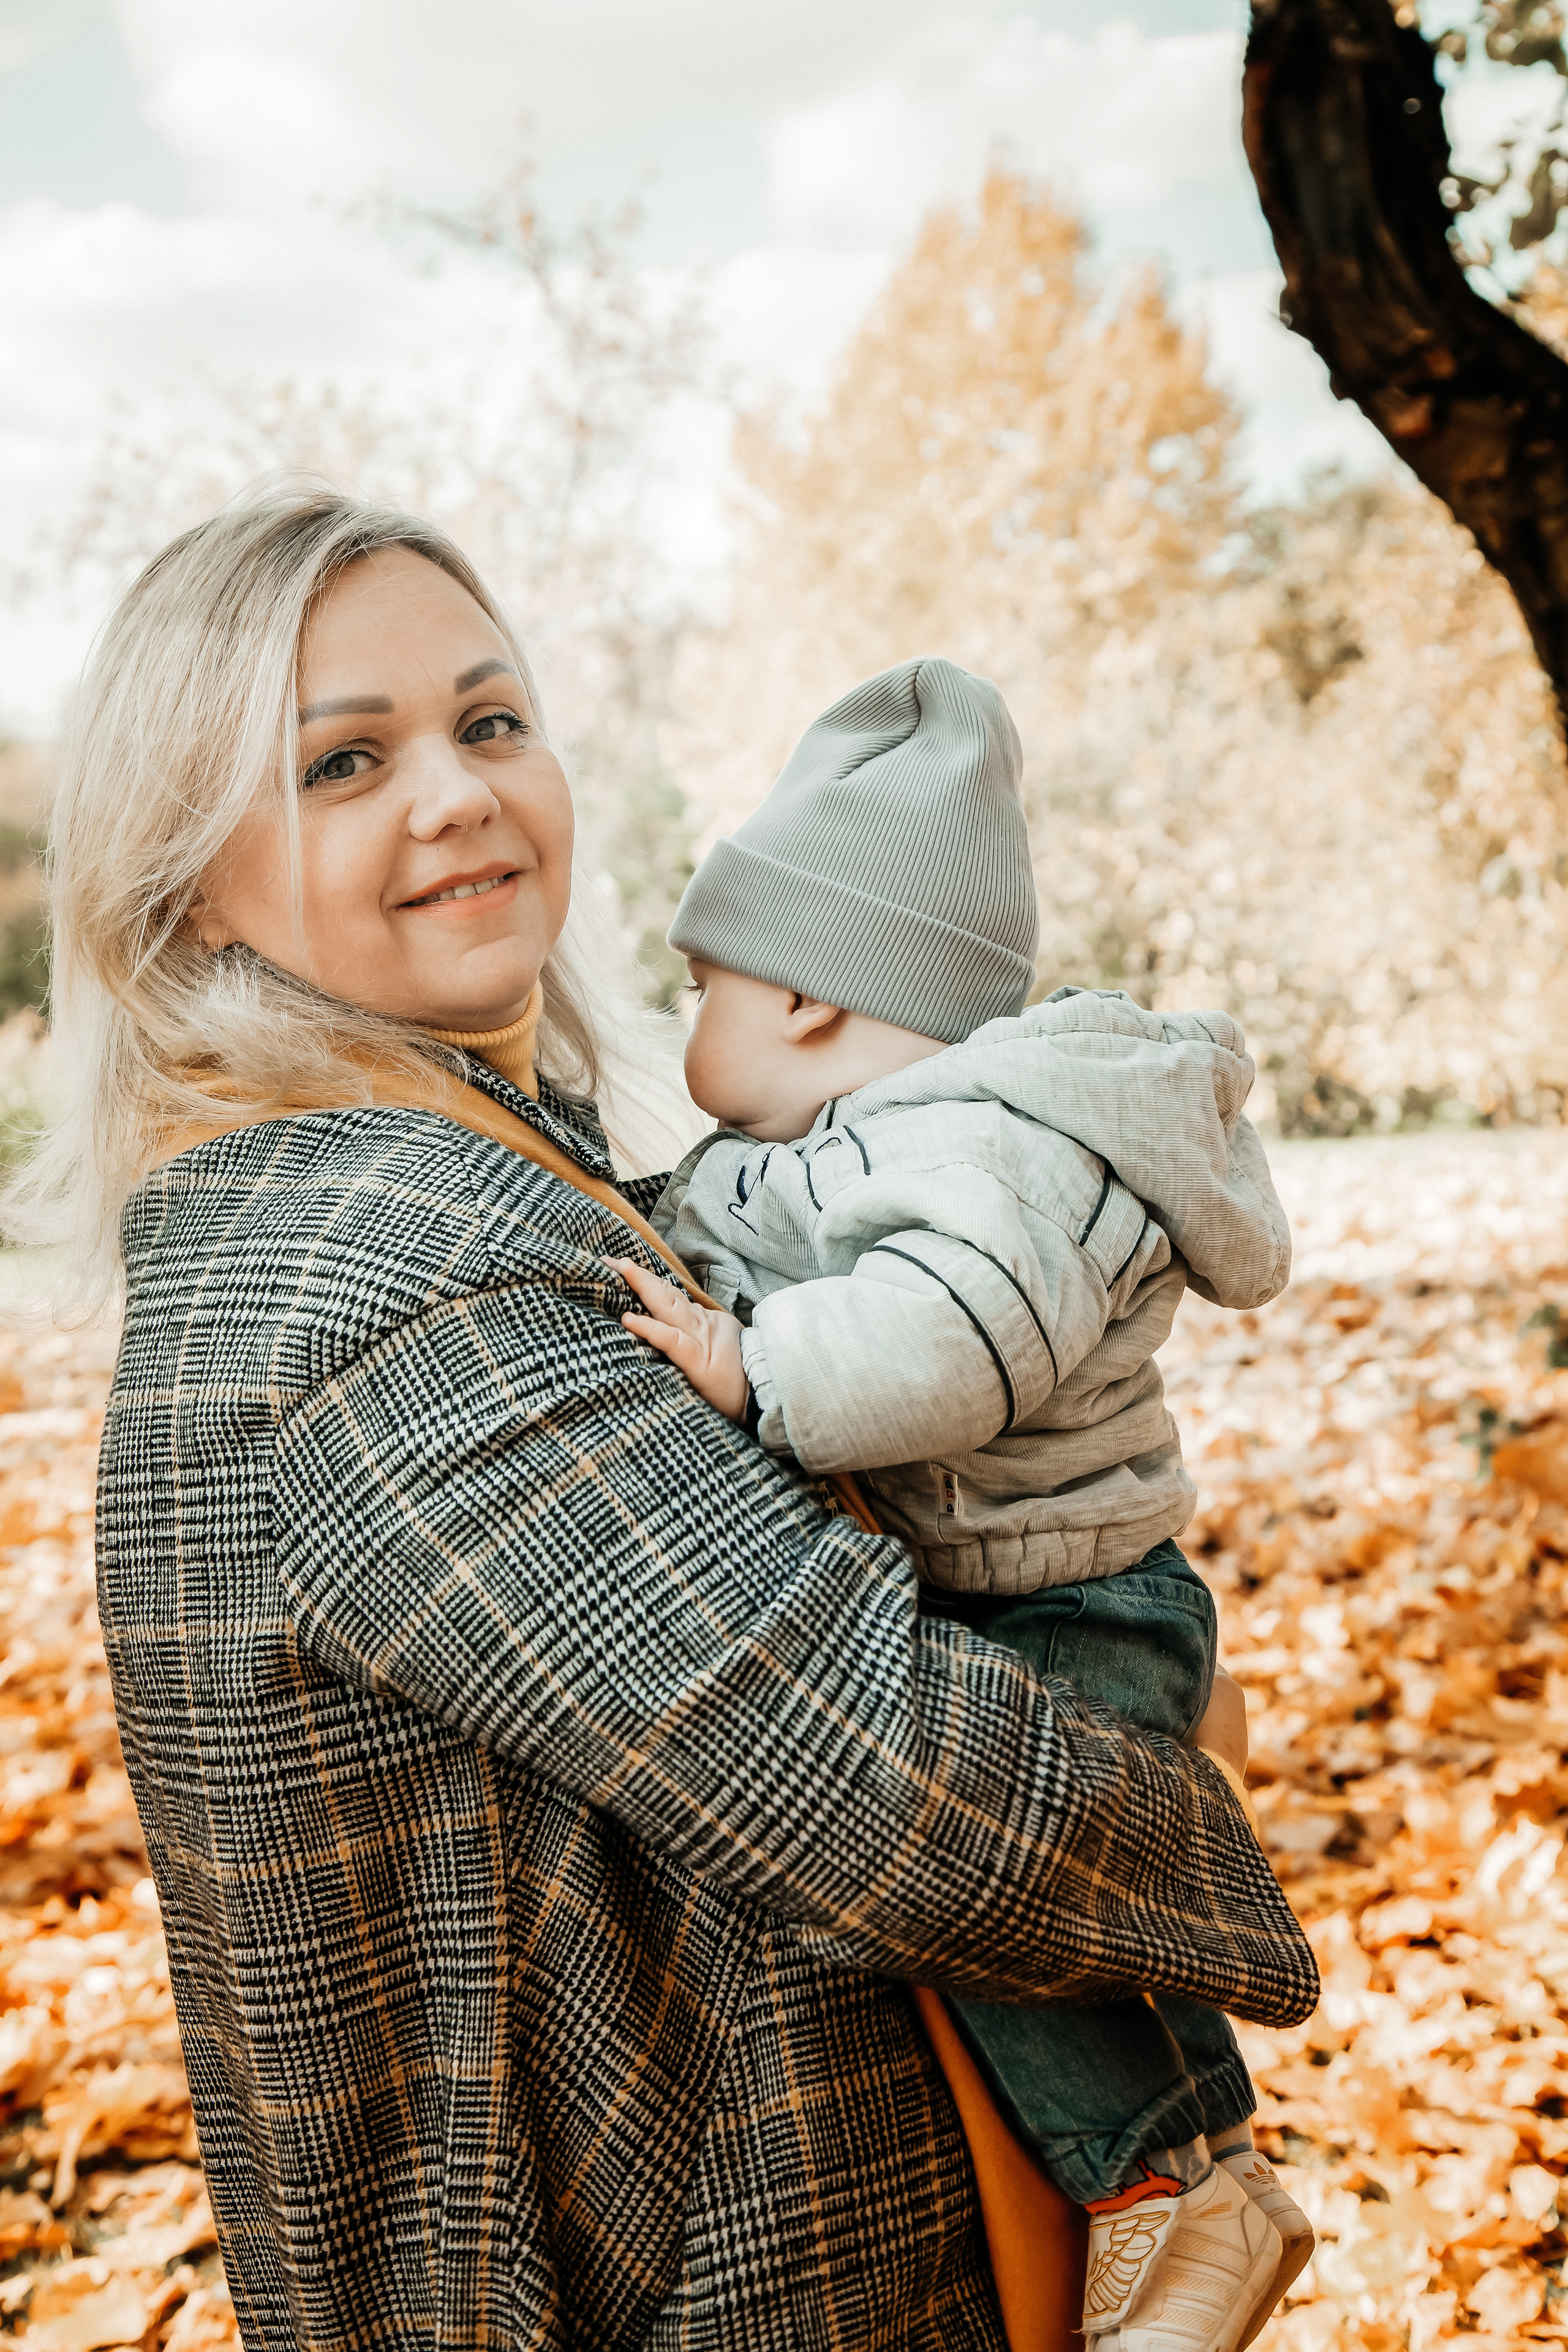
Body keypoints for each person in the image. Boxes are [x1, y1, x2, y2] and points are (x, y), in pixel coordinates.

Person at [21, 491, 1319, 2351]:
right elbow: (880, 1787)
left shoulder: (450, 1164)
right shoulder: (385, 1272)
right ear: (176, 875)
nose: (458, 793)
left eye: (488, 723)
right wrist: (1194, 1755)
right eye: (341, 761)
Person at [614, 657, 1315, 2352]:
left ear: (805, 1002)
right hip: (1019, 1583)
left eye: (699, 980)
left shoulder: (987, 1147)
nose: (684, 1014)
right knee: (1071, 1912)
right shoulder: (866, 1132)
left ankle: (1162, 2196)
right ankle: (1221, 2170)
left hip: (1070, 1604)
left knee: (1001, 1902)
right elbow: (740, 1216)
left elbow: (958, 1340)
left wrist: (758, 1368)